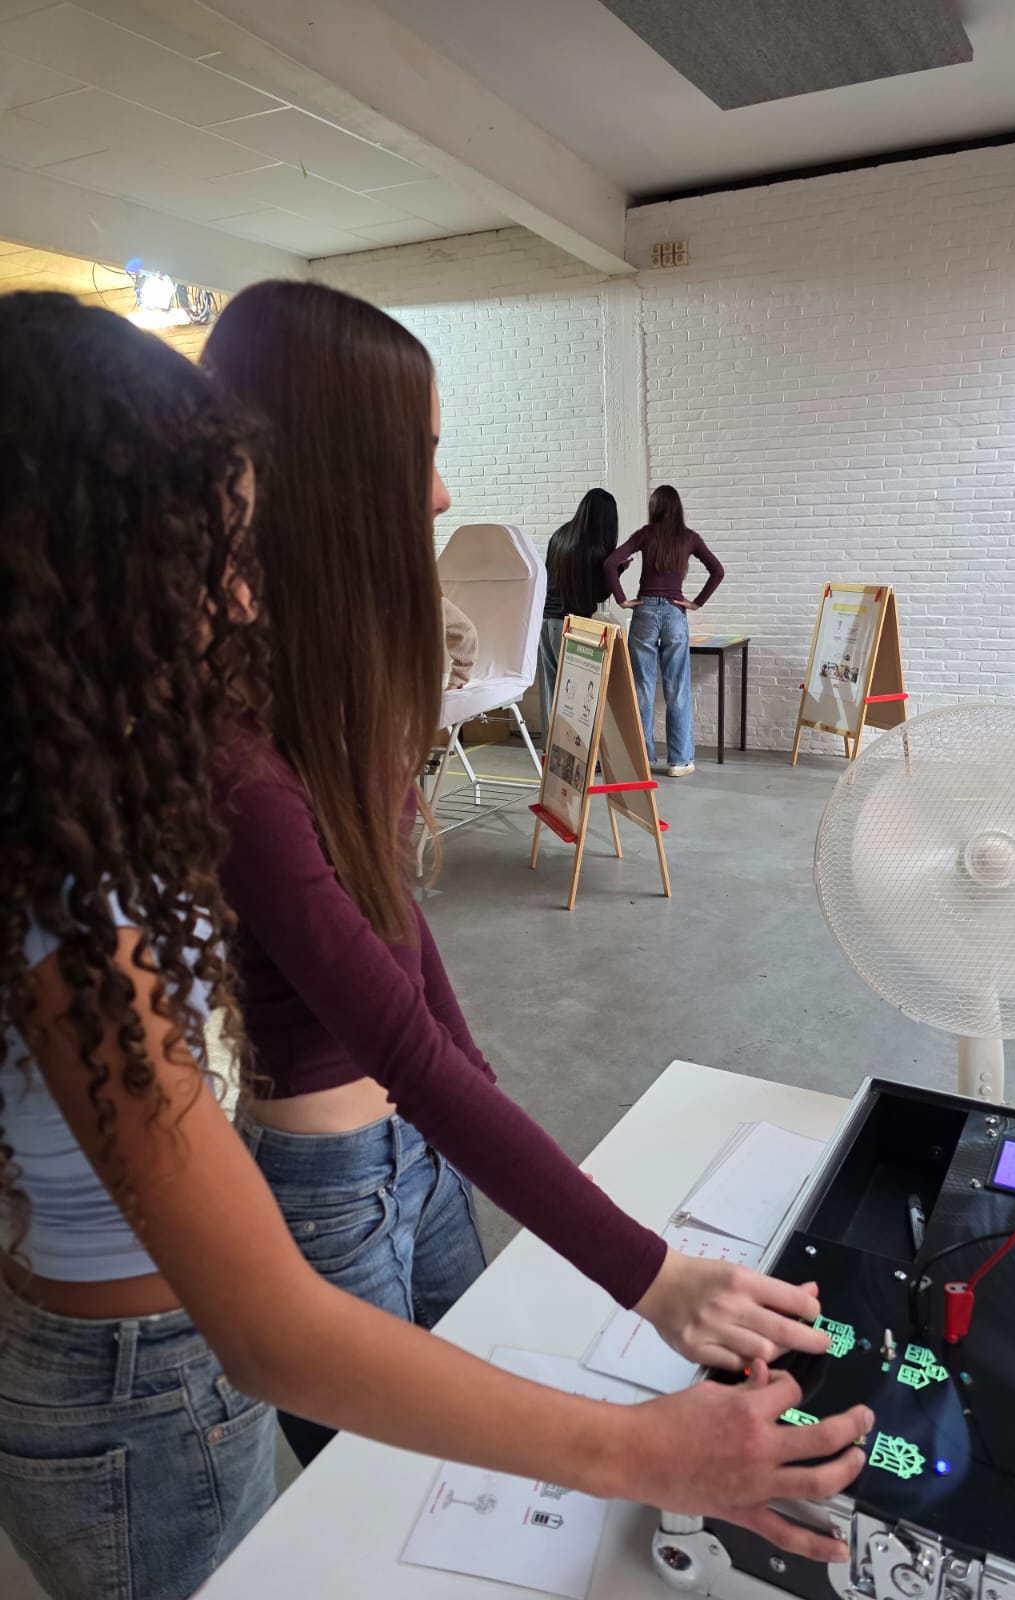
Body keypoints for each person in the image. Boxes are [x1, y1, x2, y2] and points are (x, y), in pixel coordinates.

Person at [0, 290, 872, 1599]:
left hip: (169, 1360)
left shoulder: (114, 798)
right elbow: (275, 1327)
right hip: (139, 1391)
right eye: (211, 546)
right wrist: (644, 1441)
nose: (238, 590)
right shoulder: (83, 886)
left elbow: (400, 973)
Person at [203, 280, 844, 1465]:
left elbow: (401, 937)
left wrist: (480, 1109)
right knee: (386, 1491)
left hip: (422, 1152)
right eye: (422, 453)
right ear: (332, 468)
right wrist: (651, 1277)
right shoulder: (232, 752)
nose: (443, 492)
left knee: (472, 1480)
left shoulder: (335, 685)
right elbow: (396, 1039)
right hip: (328, 1191)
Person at [605, 485, 725, 777]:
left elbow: (610, 563)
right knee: (677, 688)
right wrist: (696, 603)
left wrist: (622, 600)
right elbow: (718, 571)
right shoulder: (689, 538)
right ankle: (680, 762)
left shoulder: (645, 534)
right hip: (674, 614)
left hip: (645, 612)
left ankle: (643, 759)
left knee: (642, 689)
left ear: (655, 508)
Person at [538, 487, 621, 739]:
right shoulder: (595, 548)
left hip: (545, 621)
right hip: (572, 626)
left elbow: (547, 576)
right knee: (578, 694)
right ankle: (579, 750)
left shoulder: (560, 535)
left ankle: (555, 750)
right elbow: (597, 596)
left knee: (554, 690)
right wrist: (616, 572)